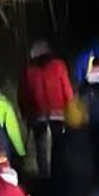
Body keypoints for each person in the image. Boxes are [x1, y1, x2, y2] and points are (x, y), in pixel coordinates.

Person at [18, 40, 77, 178]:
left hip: (37, 114)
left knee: (41, 147)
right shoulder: (58, 65)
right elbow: (66, 88)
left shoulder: (29, 71)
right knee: (58, 142)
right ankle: (59, 171)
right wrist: (71, 107)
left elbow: (23, 94)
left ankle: (44, 175)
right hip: (58, 113)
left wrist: (25, 113)